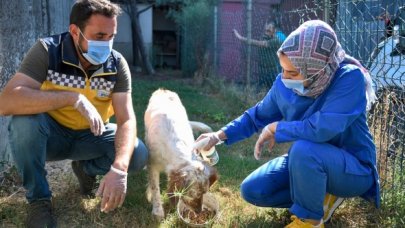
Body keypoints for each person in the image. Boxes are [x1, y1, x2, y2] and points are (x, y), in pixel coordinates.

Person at [198, 20, 379, 227]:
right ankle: (318, 197)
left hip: (352, 168)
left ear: (318, 69)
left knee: (303, 150)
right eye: (283, 69)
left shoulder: (349, 78)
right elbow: (255, 115)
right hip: (309, 160)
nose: (284, 78)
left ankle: (309, 219)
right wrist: (218, 136)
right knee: (253, 189)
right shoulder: (283, 84)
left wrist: (278, 128)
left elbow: (322, 128)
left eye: (292, 73)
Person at [0, 0, 148, 227]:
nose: (107, 44)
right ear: (74, 31)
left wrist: (119, 169)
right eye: (99, 36)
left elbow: (126, 119)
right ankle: (39, 201)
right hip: (52, 136)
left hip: (92, 135)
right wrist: (73, 97)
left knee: (136, 154)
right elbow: (7, 101)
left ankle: (86, 168)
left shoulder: (116, 64)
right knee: (23, 122)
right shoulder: (48, 51)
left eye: (112, 36)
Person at [233, 22, 286, 89]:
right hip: (263, 69)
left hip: (273, 70)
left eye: (269, 29)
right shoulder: (267, 36)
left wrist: (241, 38)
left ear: (275, 30)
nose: (266, 30)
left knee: (274, 89)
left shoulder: (279, 37)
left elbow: (262, 44)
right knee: (261, 89)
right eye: (266, 29)